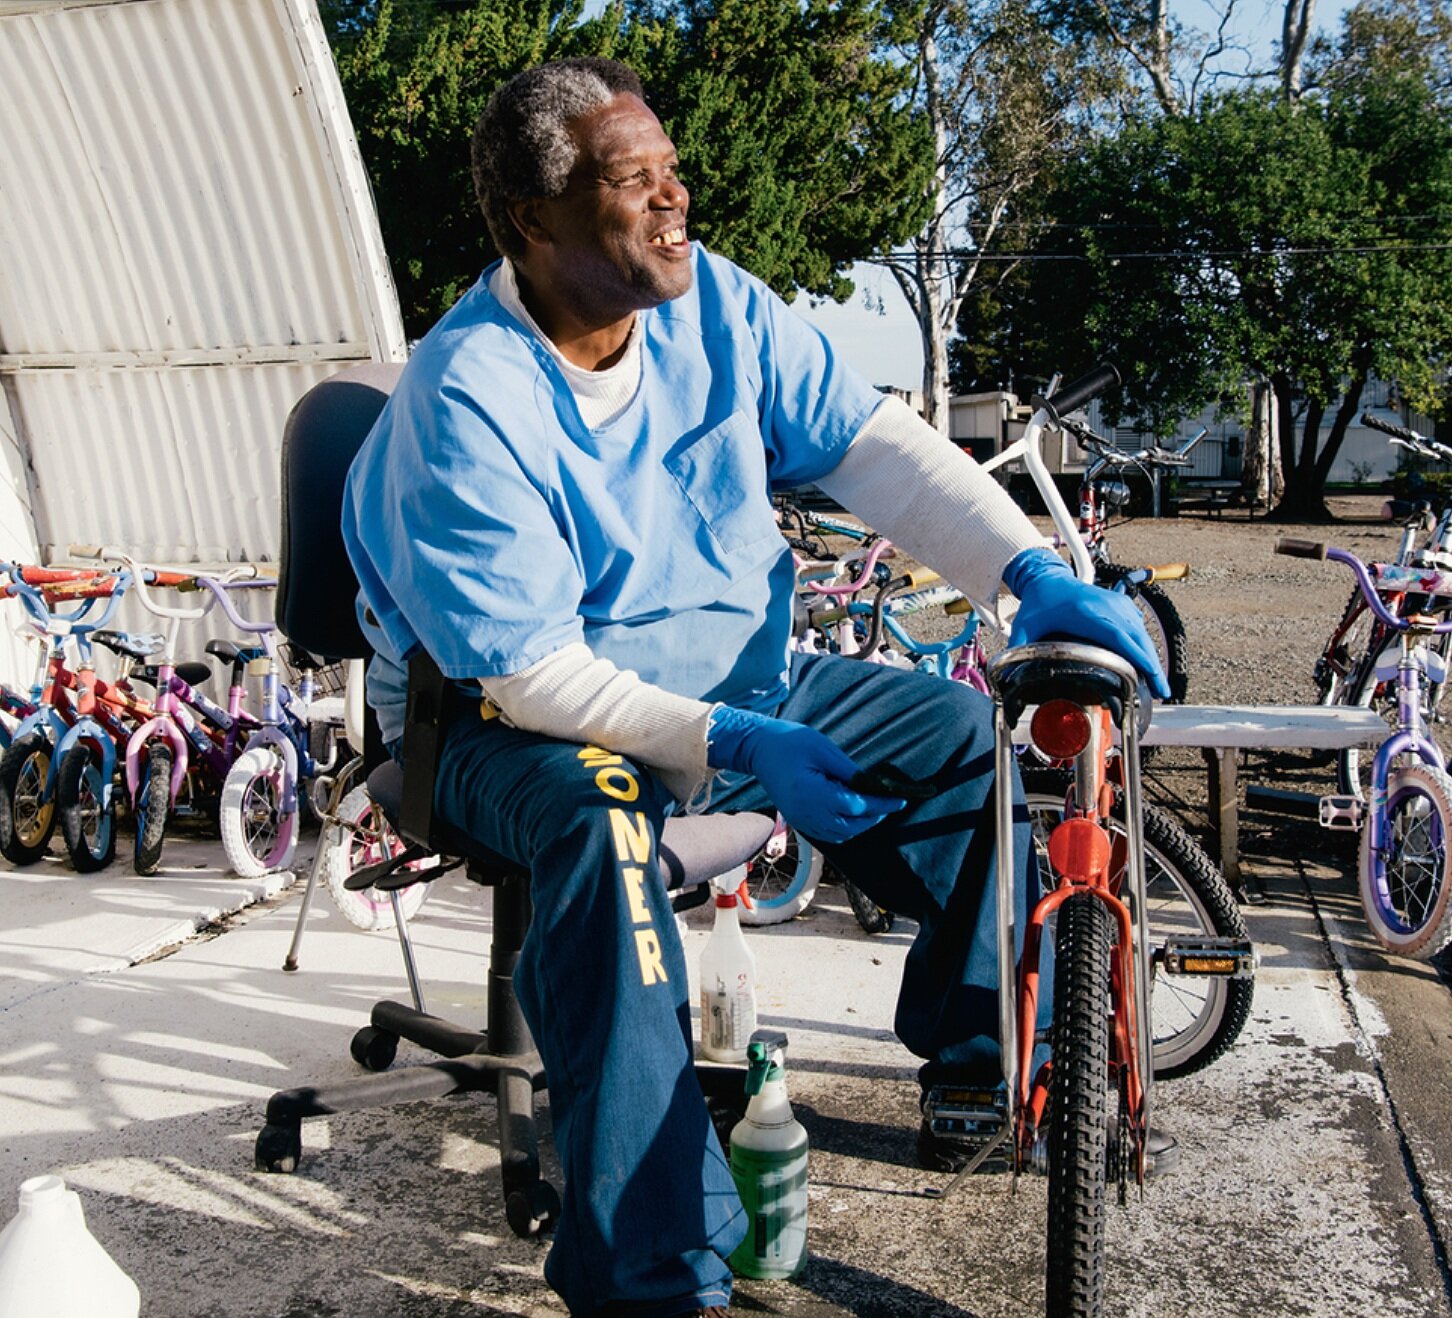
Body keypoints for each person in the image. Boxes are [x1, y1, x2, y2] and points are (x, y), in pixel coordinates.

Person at [342, 56, 1169, 1318]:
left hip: (743, 685)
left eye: (674, 170)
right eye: (634, 181)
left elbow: (872, 448)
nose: (674, 200)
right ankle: (648, 1271)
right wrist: (736, 735)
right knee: (606, 827)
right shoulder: (468, 397)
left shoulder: (711, 306)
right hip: (506, 726)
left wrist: (1026, 571)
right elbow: (533, 671)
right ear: (534, 220)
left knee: (956, 735)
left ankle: (968, 1046)